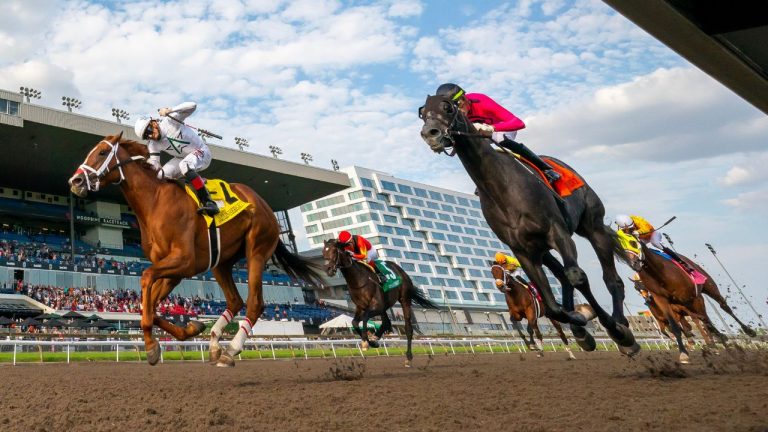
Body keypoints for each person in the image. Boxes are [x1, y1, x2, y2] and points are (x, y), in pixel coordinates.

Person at [435, 83, 561, 185]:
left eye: (459, 106)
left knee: (499, 138)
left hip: (502, 127)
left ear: (463, 99)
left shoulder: (481, 101)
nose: (459, 113)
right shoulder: (455, 115)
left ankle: (546, 169)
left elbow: (519, 123)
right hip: (482, 134)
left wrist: (491, 128)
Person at [134, 102, 219, 215]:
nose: (150, 136)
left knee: (185, 165)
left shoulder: (170, 121)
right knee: (160, 176)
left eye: (148, 131)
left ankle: (209, 202)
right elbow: (155, 164)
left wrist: (170, 110)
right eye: (146, 136)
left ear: (153, 123)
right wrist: (144, 165)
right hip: (181, 157)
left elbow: (193, 105)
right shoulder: (153, 144)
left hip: (202, 151)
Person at [615, 214, 695, 274]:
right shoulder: (620, 229)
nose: (631, 229)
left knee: (656, 243)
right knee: (637, 247)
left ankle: (681, 261)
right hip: (641, 238)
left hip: (652, 234)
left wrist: (638, 232)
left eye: (631, 227)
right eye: (628, 229)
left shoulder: (637, 220)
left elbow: (647, 228)